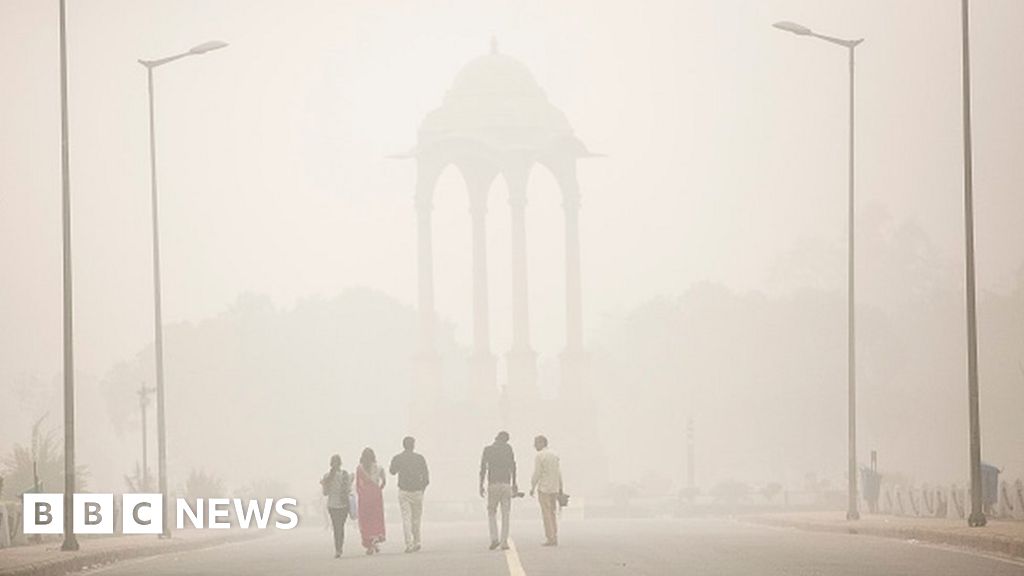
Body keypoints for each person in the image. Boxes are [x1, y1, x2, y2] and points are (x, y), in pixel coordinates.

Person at [389, 436, 429, 553]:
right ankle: (417, 541)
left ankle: (409, 544)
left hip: (404, 491)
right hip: (417, 491)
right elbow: (426, 476)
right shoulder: (420, 458)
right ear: (413, 445)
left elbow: (392, 471)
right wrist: (422, 488)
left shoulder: (398, 458)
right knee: (416, 518)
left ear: (403, 445)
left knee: (406, 518)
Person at [480, 430, 518, 551]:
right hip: (506, 483)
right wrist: (514, 483)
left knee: (491, 512)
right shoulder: (508, 449)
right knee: (505, 513)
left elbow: (483, 468)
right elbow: (513, 466)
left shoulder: (488, 450)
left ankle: (494, 538)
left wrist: (481, 485)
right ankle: (504, 542)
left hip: (493, 484)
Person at [530, 435, 562, 547]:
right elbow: (559, 473)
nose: (534, 446)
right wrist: (561, 488)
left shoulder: (540, 456)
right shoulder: (555, 455)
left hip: (544, 488)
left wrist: (532, 487)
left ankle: (550, 537)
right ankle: (555, 535)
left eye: (536, 443)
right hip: (555, 488)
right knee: (553, 513)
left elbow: (537, 473)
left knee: (546, 514)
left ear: (541, 443)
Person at [320, 454, 353, 558]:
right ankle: (340, 547)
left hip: (332, 505)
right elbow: (348, 490)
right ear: (340, 463)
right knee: (341, 527)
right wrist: (351, 480)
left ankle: (338, 549)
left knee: (336, 527)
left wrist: (323, 484)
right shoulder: (345, 474)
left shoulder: (326, 477)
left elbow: (325, 493)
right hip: (344, 505)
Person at [357, 447, 387, 555]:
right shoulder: (379, 468)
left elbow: (358, 485)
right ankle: (376, 540)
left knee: (366, 520)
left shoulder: (360, 468)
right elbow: (384, 481)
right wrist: (378, 489)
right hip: (376, 495)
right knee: (376, 518)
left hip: (365, 496)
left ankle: (369, 544)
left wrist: (361, 494)